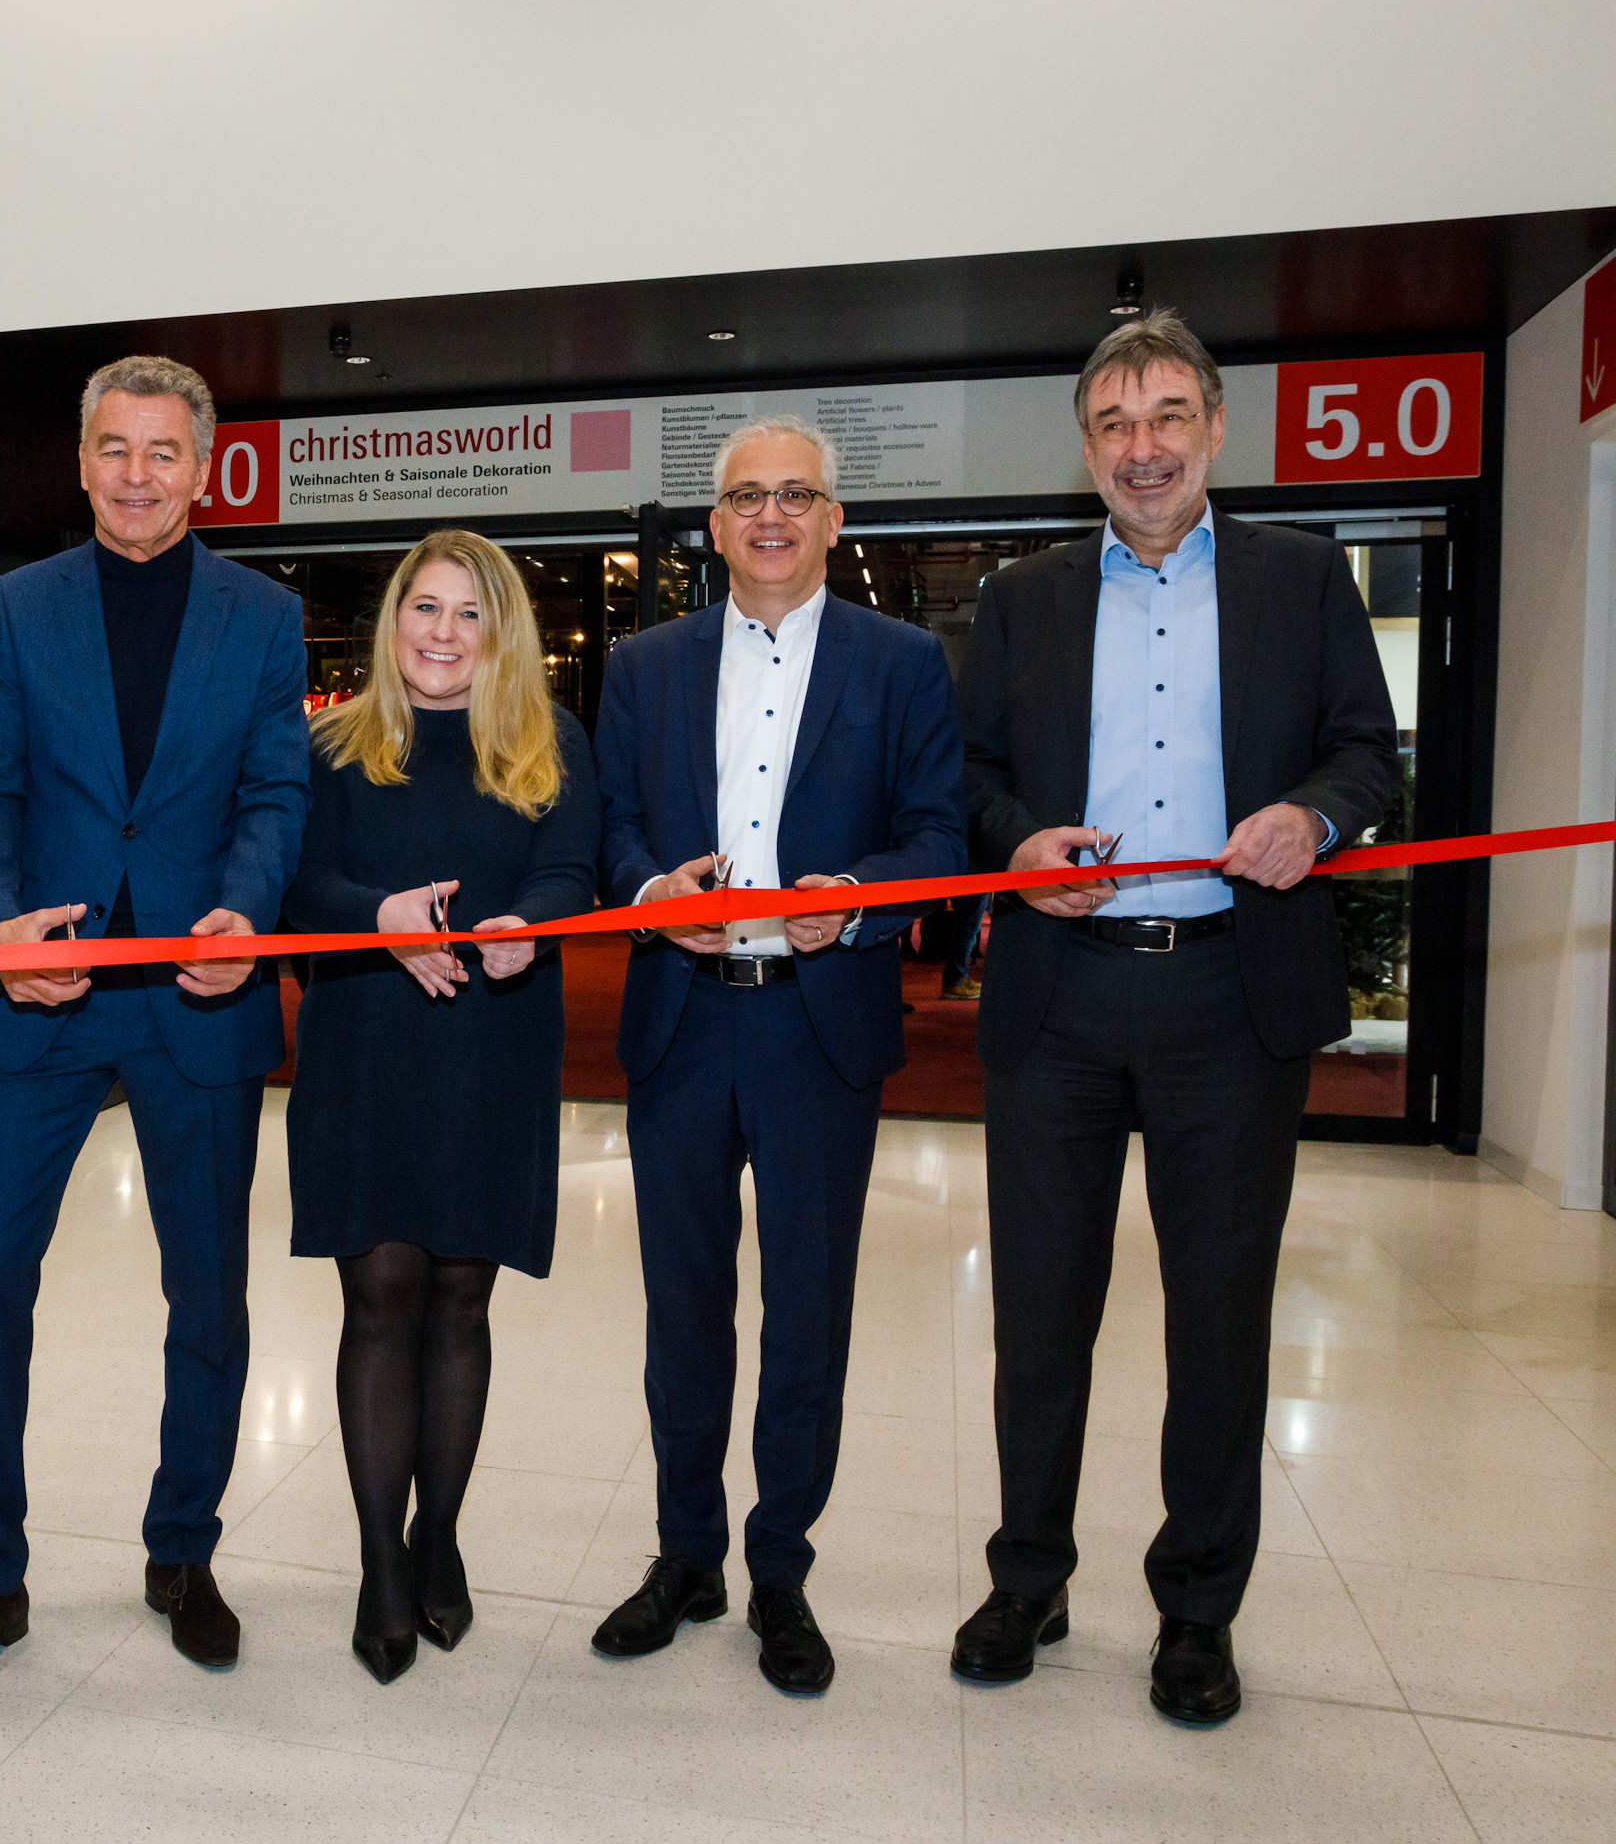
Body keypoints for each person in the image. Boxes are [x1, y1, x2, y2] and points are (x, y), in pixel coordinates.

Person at [951, 313, 1397, 1724]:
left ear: (1214, 428)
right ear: (1087, 448)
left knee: (1217, 1325)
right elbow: (965, 775)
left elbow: (1365, 753)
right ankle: (1029, 1576)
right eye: (1113, 426)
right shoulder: (1020, 595)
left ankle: (1198, 1610)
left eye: (1165, 418)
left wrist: (1311, 818)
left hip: (1229, 992)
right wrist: (1015, 845)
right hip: (1059, 998)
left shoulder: (1304, 580)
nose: (1142, 448)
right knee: (1040, 1316)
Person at [0, 355, 308, 1703]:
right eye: (115, 450)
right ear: (81, 465)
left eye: (164, 453)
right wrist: (6, 926)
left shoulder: (263, 618)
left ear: (206, 469)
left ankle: (183, 1551)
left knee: (207, 1296)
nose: (139, 475)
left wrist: (241, 914)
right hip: (45, 998)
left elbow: (273, 793)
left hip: (200, 997)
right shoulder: (19, 608)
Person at [592, 416, 964, 1697]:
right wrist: (648, 884)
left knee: (808, 1311)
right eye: (745, 496)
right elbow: (612, 825)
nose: (769, 515)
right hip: (683, 1021)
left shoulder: (903, 661)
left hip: (821, 1022)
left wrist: (856, 893)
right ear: (713, 524)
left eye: (795, 493)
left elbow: (940, 832)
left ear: (832, 518)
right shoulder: (644, 664)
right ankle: (685, 1552)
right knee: (682, 1310)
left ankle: (781, 1570)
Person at [282, 530, 597, 1683]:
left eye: (470, 614)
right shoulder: (335, 743)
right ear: (393, 621)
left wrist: (532, 925)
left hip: (494, 1043)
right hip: (369, 1038)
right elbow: (297, 882)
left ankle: (440, 1537)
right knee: (380, 1292)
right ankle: (378, 1558)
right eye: (426, 608)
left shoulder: (547, 739)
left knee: (462, 1295)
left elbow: (575, 867)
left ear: (500, 630)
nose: (444, 634)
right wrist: (380, 917)